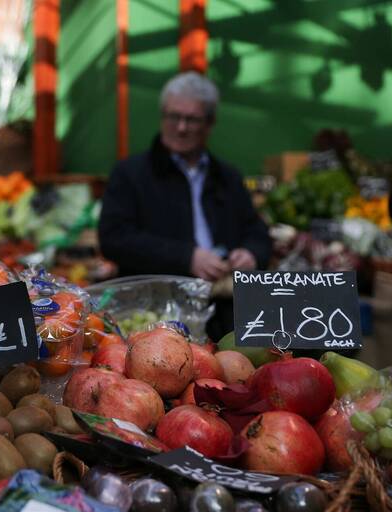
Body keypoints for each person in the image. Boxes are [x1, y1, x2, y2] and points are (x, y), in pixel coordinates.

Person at [98, 71, 271, 338]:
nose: (181, 127)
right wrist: (186, 257)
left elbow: (256, 231)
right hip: (155, 313)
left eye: (191, 119)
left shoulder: (227, 177)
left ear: (210, 123)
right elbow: (113, 237)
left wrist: (251, 253)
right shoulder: (131, 174)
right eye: (173, 117)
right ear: (162, 116)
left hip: (225, 311)